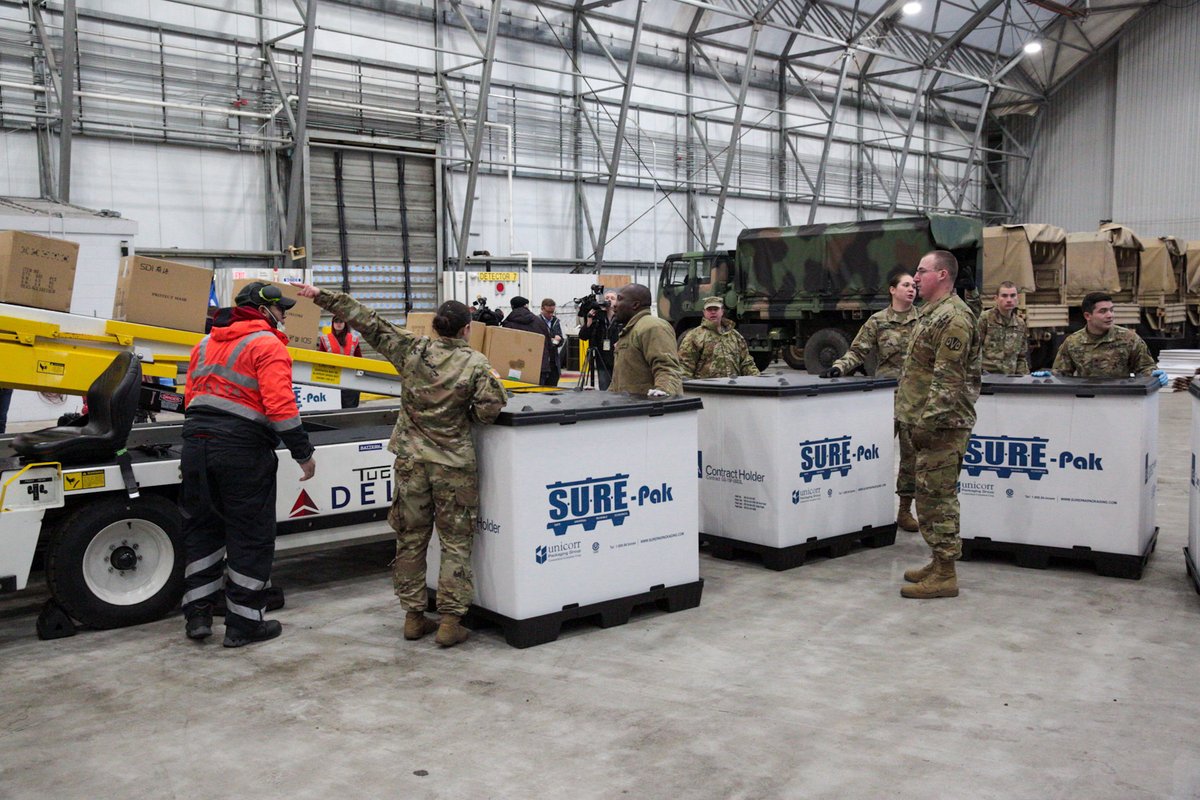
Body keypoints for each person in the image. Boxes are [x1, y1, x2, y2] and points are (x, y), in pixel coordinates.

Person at [295, 283, 507, 648]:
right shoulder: (476, 363)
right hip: (453, 465)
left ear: (435, 326)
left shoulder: (411, 349)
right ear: (466, 328)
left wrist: (322, 296)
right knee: (455, 542)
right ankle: (450, 621)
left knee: (410, 539)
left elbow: (369, 322)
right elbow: (490, 408)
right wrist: (465, 416)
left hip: (411, 462)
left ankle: (413, 617)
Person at [180, 281, 316, 647]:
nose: (284, 316)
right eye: (281, 309)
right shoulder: (266, 344)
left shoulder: (203, 344)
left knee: (202, 530)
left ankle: (198, 615)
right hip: (241, 450)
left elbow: (191, 397)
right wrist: (303, 453)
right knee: (250, 536)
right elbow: (280, 405)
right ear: (264, 309)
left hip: (195, 446)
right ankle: (244, 624)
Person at [895, 251, 981, 600]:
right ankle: (938, 561)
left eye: (921, 271)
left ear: (942, 275)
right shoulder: (932, 312)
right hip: (926, 421)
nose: (915, 278)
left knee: (938, 499)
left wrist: (928, 424)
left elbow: (948, 381)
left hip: (942, 425)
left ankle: (946, 573)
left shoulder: (954, 318)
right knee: (928, 497)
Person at [820, 272, 920, 533]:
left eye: (914, 285)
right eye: (906, 285)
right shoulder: (878, 321)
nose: (911, 289)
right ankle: (866, 507)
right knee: (873, 454)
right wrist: (839, 367)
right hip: (885, 399)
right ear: (892, 290)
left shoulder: (924, 320)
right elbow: (858, 351)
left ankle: (904, 510)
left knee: (911, 457)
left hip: (915, 399)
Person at [1040, 292, 1165, 384]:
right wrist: (1049, 376)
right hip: (1086, 398)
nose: (1110, 315)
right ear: (1088, 316)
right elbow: (1061, 374)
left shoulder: (1129, 339)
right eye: (1103, 311)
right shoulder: (1073, 342)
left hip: (1121, 397)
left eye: (1111, 310)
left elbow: (1145, 368)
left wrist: (1153, 374)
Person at [608, 283, 683, 397]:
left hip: (646, 406)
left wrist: (662, 393)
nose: (614, 305)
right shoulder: (631, 330)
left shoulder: (652, 326)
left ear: (635, 305)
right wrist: (604, 397)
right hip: (629, 404)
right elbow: (619, 380)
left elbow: (668, 369)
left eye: (620, 299)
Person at [677, 296, 759, 379]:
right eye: (709, 309)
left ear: (722, 311)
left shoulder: (735, 336)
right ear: (704, 312)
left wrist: (756, 379)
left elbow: (746, 363)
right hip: (707, 386)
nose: (713, 312)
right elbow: (685, 366)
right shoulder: (694, 336)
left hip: (733, 384)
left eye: (716, 309)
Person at [501, 296, 556, 386]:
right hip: (539, 366)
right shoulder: (538, 322)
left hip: (516, 367)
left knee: (516, 393)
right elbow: (548, 344)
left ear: (512, 306)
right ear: (525, 306)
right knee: (538, 393)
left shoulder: (507, 323)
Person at [979, 281, 1030, 375]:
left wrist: (1024, 379)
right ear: (996, 298)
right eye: (1004, 296)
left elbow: (1021, 357)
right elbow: (974, 350)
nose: (1009, 300)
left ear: (1017, 298)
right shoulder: (985, 319)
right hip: (987, 377)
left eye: (1013, 295)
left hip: (1010, 378)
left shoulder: (1020, 324)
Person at [578, 290, 622, 390]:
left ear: (617, 302)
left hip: (618, 357)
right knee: (604, 388)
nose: (609, 300)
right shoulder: (598, 317)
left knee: (618, 389)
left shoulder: (621, 317)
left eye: (612, 298)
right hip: (602, 359)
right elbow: (583, 336)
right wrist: (589, 321)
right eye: (607, 298)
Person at [317, 315, 364, 408]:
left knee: (349, 408)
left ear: (345, 323)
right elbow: (320, 360)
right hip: (331, 379)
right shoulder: (325, 339)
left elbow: (359, 359)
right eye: (336, 322)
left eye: (341, 322)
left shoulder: (354, 339)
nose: (338, 324)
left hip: (350, 379)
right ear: (333, 324)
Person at [538, 298, 564, 387]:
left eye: (552, 312)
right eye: (548, 312)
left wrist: (558, 340)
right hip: (542, 361)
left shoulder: (555, 321)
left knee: (553, 386)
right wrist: (551, 340)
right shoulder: (537, 322)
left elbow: (561, 340)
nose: (551, 314)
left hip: (554, 361)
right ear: (542, 309)